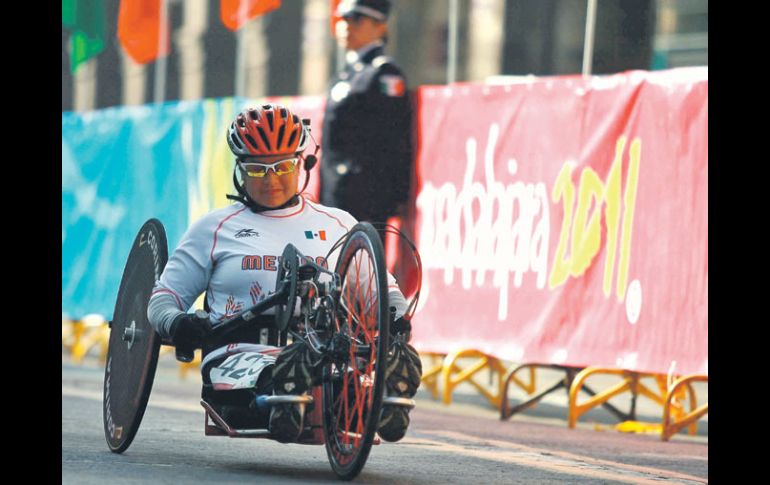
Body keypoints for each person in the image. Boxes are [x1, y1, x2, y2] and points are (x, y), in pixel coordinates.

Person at [147, 104, 422, 444]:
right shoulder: (214, 228)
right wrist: (177, 323)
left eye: (282, 167)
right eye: (258, 170)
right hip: (239, 351)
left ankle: (382, 398)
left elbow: (380, 291)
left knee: (340, 383)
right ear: (240, 170)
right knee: (269, 378)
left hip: (326, 353)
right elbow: (163, 299)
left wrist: (396, 318)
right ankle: (285, 388)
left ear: (302, 163)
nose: (272, 179)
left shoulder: (338, 224)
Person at [321, 0, 414, 232]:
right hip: (336, 195)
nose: (346, 26)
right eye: (343, 19)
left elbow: (393, 139)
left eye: (357, 19)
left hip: (368, 198)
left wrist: (389, 195)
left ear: (381, 26)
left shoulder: (384, 74)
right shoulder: (346, 75)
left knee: (364, 267)